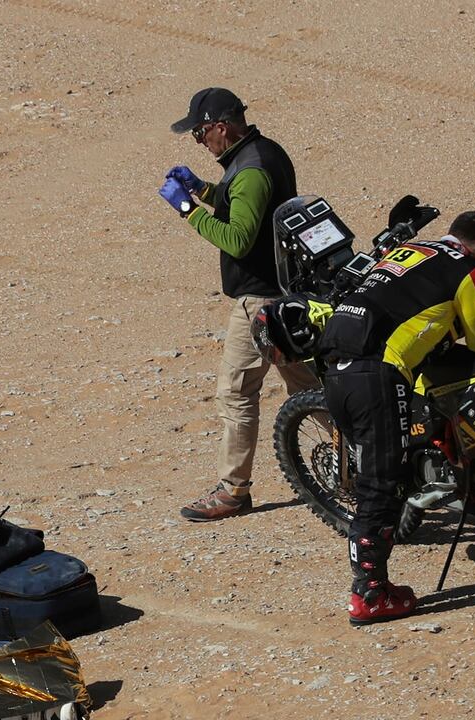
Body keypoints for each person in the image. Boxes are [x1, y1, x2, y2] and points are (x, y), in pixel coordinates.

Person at [253, 210, 475, 625]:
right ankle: (369, 594)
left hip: (336, 368)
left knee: (383, 470)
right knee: (379, 487)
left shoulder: (407, 250)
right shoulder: (470, 267)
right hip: (377, 373)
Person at [158, 87, 320, 522]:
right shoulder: (266, 153)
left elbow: (238, 237)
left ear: (221, 127)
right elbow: (250, 208)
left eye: (200, 133)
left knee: (237, 393)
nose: (201, 142)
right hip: (288, 294)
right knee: (309, 390)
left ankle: (233, 489)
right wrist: (205, 189)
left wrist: (189, 210)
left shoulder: (250, 172)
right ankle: (356, 465)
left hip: (259, 301)